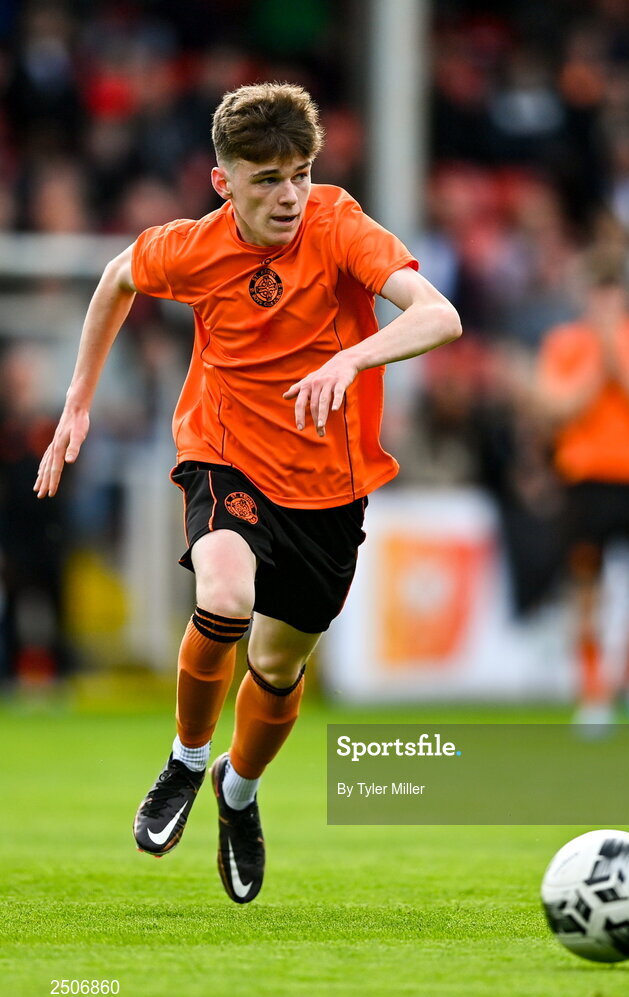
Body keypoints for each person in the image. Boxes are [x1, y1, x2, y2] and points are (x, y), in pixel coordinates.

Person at [35, 82, 462, 903]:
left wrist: (350, 359)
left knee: (276, 663)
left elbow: (438, 315)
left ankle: (238, 791)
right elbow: (117, 279)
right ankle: (188, 761)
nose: (289, 194)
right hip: (223, 454)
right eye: (265, 178)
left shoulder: (338, 224)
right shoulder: (192, 247)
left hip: (328, 487)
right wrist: (77, 400)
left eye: (299, 172)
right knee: (226, 596)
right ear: (221, 181)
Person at [536, 249, 629, 728]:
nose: (606, 307)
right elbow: (554, 409)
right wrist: (600, 365)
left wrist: (620, 359)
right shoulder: (565, 344)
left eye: (614, 296)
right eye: (599, 297)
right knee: (586, 595)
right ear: (587, 299)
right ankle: (594, 694)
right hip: (587, 481)